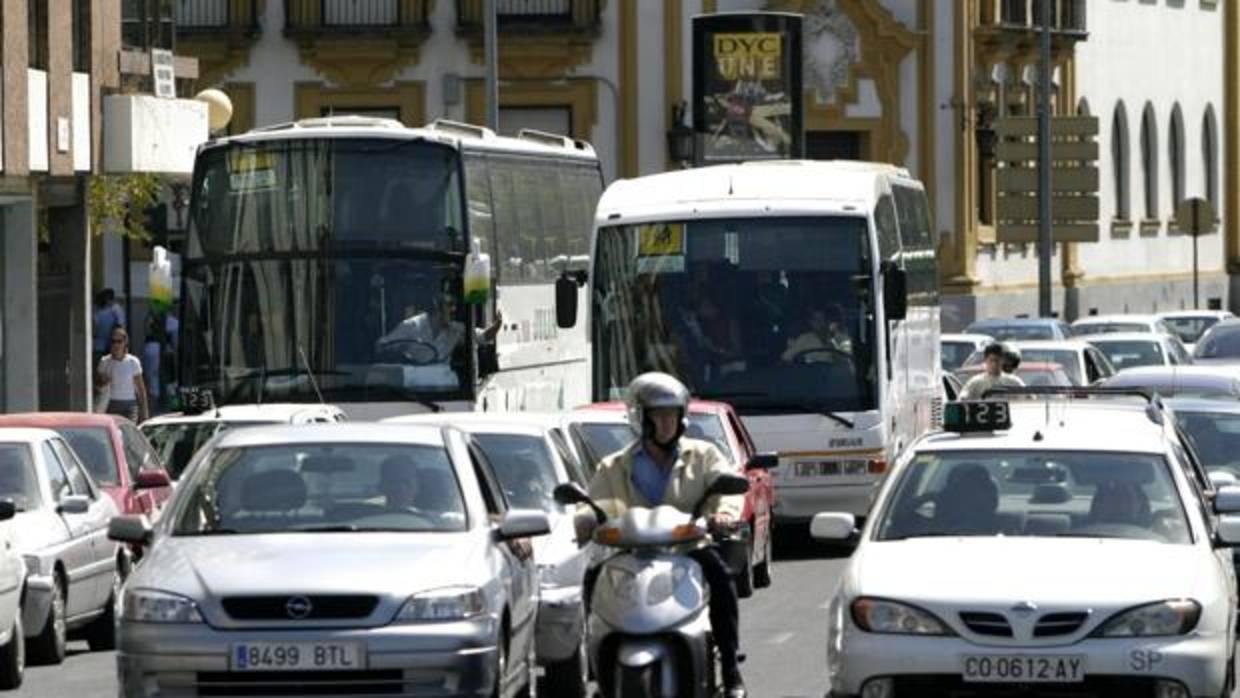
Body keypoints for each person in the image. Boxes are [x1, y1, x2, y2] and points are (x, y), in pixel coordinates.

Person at [577, 372, 749, 697]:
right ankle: (597, 663)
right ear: (639, 418)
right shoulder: (614, 465)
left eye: (672, 415)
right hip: (630, 554)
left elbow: (726, 486)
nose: (667, 423)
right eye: (658, 415)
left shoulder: (704, 454)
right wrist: (585, 520)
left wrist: (724, 513)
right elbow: (593, 502)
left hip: (687, 548)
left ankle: (729, 666)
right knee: (593, 577)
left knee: (722, 577)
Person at [376, 292, 502, 365]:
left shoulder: (456, 329)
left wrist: (498, 324)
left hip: (443, 385)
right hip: (414, 384)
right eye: (449, 305)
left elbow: (484, 337)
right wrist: (399, 351)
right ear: (437, 306)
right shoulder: (411, 326)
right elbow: (381, 346)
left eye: (455, 306)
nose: (453, 310)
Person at [96, 328, 149, 423]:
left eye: (119, 341)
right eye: (113, 341)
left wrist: (144, 412)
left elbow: (141, 389)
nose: (116, 345)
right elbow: (97, 386)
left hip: (130, 405)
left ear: (125, 342)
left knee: (128, 434)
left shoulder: (133, 362)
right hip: (110, 404)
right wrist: (103, 381)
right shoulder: (105, 361)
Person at [781, 304, 852, 362]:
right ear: (810, 323)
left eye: (822, 320)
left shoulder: (843, 339)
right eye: (815, 320)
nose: (819, 324)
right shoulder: (805, 339)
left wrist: (830, 343)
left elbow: (847, 365)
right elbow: (786, 359)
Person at [960, 342, 1026, 400]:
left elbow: (1028, 396)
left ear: (1003, 360)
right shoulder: (976, 382)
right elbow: (963, 397)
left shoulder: (1013, 382)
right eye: (991, 360)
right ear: (985, 361)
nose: (994, 364)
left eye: (997, 360)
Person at [92, 288, 125, 358]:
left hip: (111, 344)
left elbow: (119, 324)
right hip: (99, 343)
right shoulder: (98, 310)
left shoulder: (115, 309)